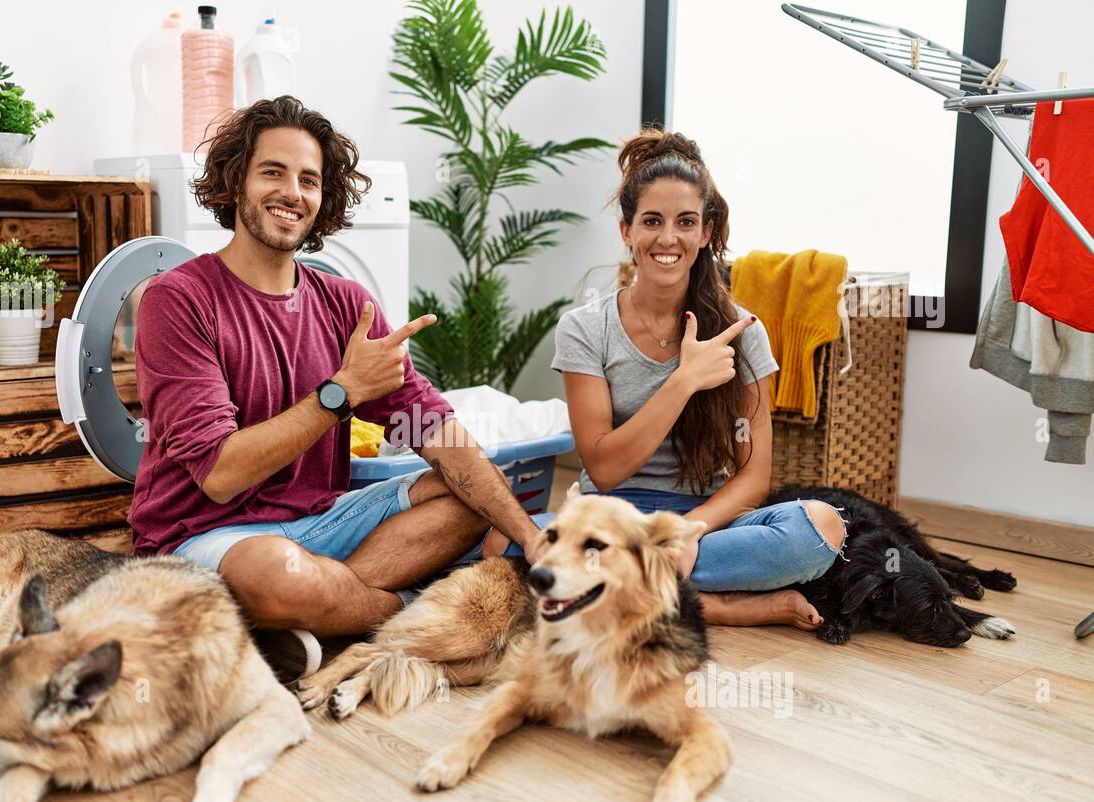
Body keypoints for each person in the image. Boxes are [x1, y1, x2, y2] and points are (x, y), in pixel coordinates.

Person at [128, 96, 544, 638]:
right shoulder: (179, 299)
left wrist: (532, 538)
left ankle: (319, 611)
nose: (291, 193)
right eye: (272, 172)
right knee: (280, 576)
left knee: (472, 493)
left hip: (322, 522)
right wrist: (341, 392)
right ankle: (397, 610)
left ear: (323, 200)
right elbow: (221, 477)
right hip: (206, 534)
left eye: (309, 180)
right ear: (234, 183)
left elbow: (435, 430)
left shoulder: (347, 303)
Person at [548, 127, 846, 629]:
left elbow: (753, 479)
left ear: (705, 233)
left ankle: (633, 586)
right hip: (612, 519)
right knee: (504, 540)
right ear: (626, 231)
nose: (668, 239)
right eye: (652, 221)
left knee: (820, 529)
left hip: (706, 521)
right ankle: (716, 606)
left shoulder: (743, 331)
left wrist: (684, 534)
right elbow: (603, 469)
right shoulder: (583, 329)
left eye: (685, 222)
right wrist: (683, 381)